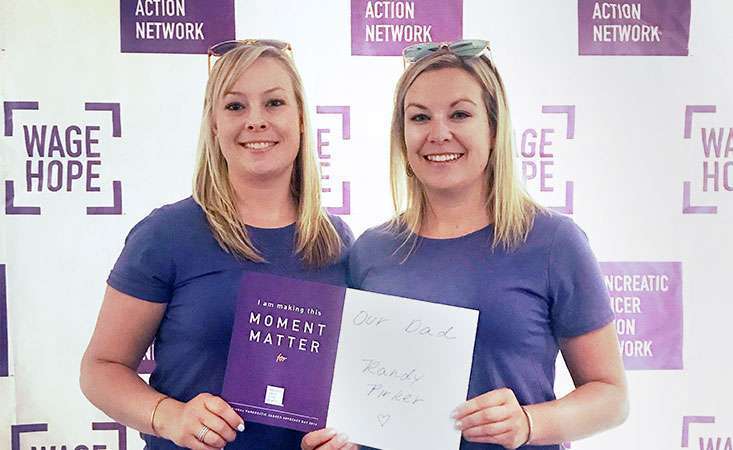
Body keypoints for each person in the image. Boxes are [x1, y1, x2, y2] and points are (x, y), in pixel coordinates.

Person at [303, 40, 627, 450]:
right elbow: (355, 395)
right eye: (420, 117)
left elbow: (611, 396)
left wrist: (528, 422)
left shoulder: (552, 242)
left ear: (493, 129)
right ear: (402, 136)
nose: (439, 133)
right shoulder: (370, 251)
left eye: (460, 114)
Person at [80, 40, 353, 450]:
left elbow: (351, 383)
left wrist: (345, 436)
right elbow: (100, 369)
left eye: (274, 103)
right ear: (213, 124)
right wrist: (169, 417)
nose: (256, 121)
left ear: (301, 120)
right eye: (235, 106)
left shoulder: (337, 241)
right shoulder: (166, 234)